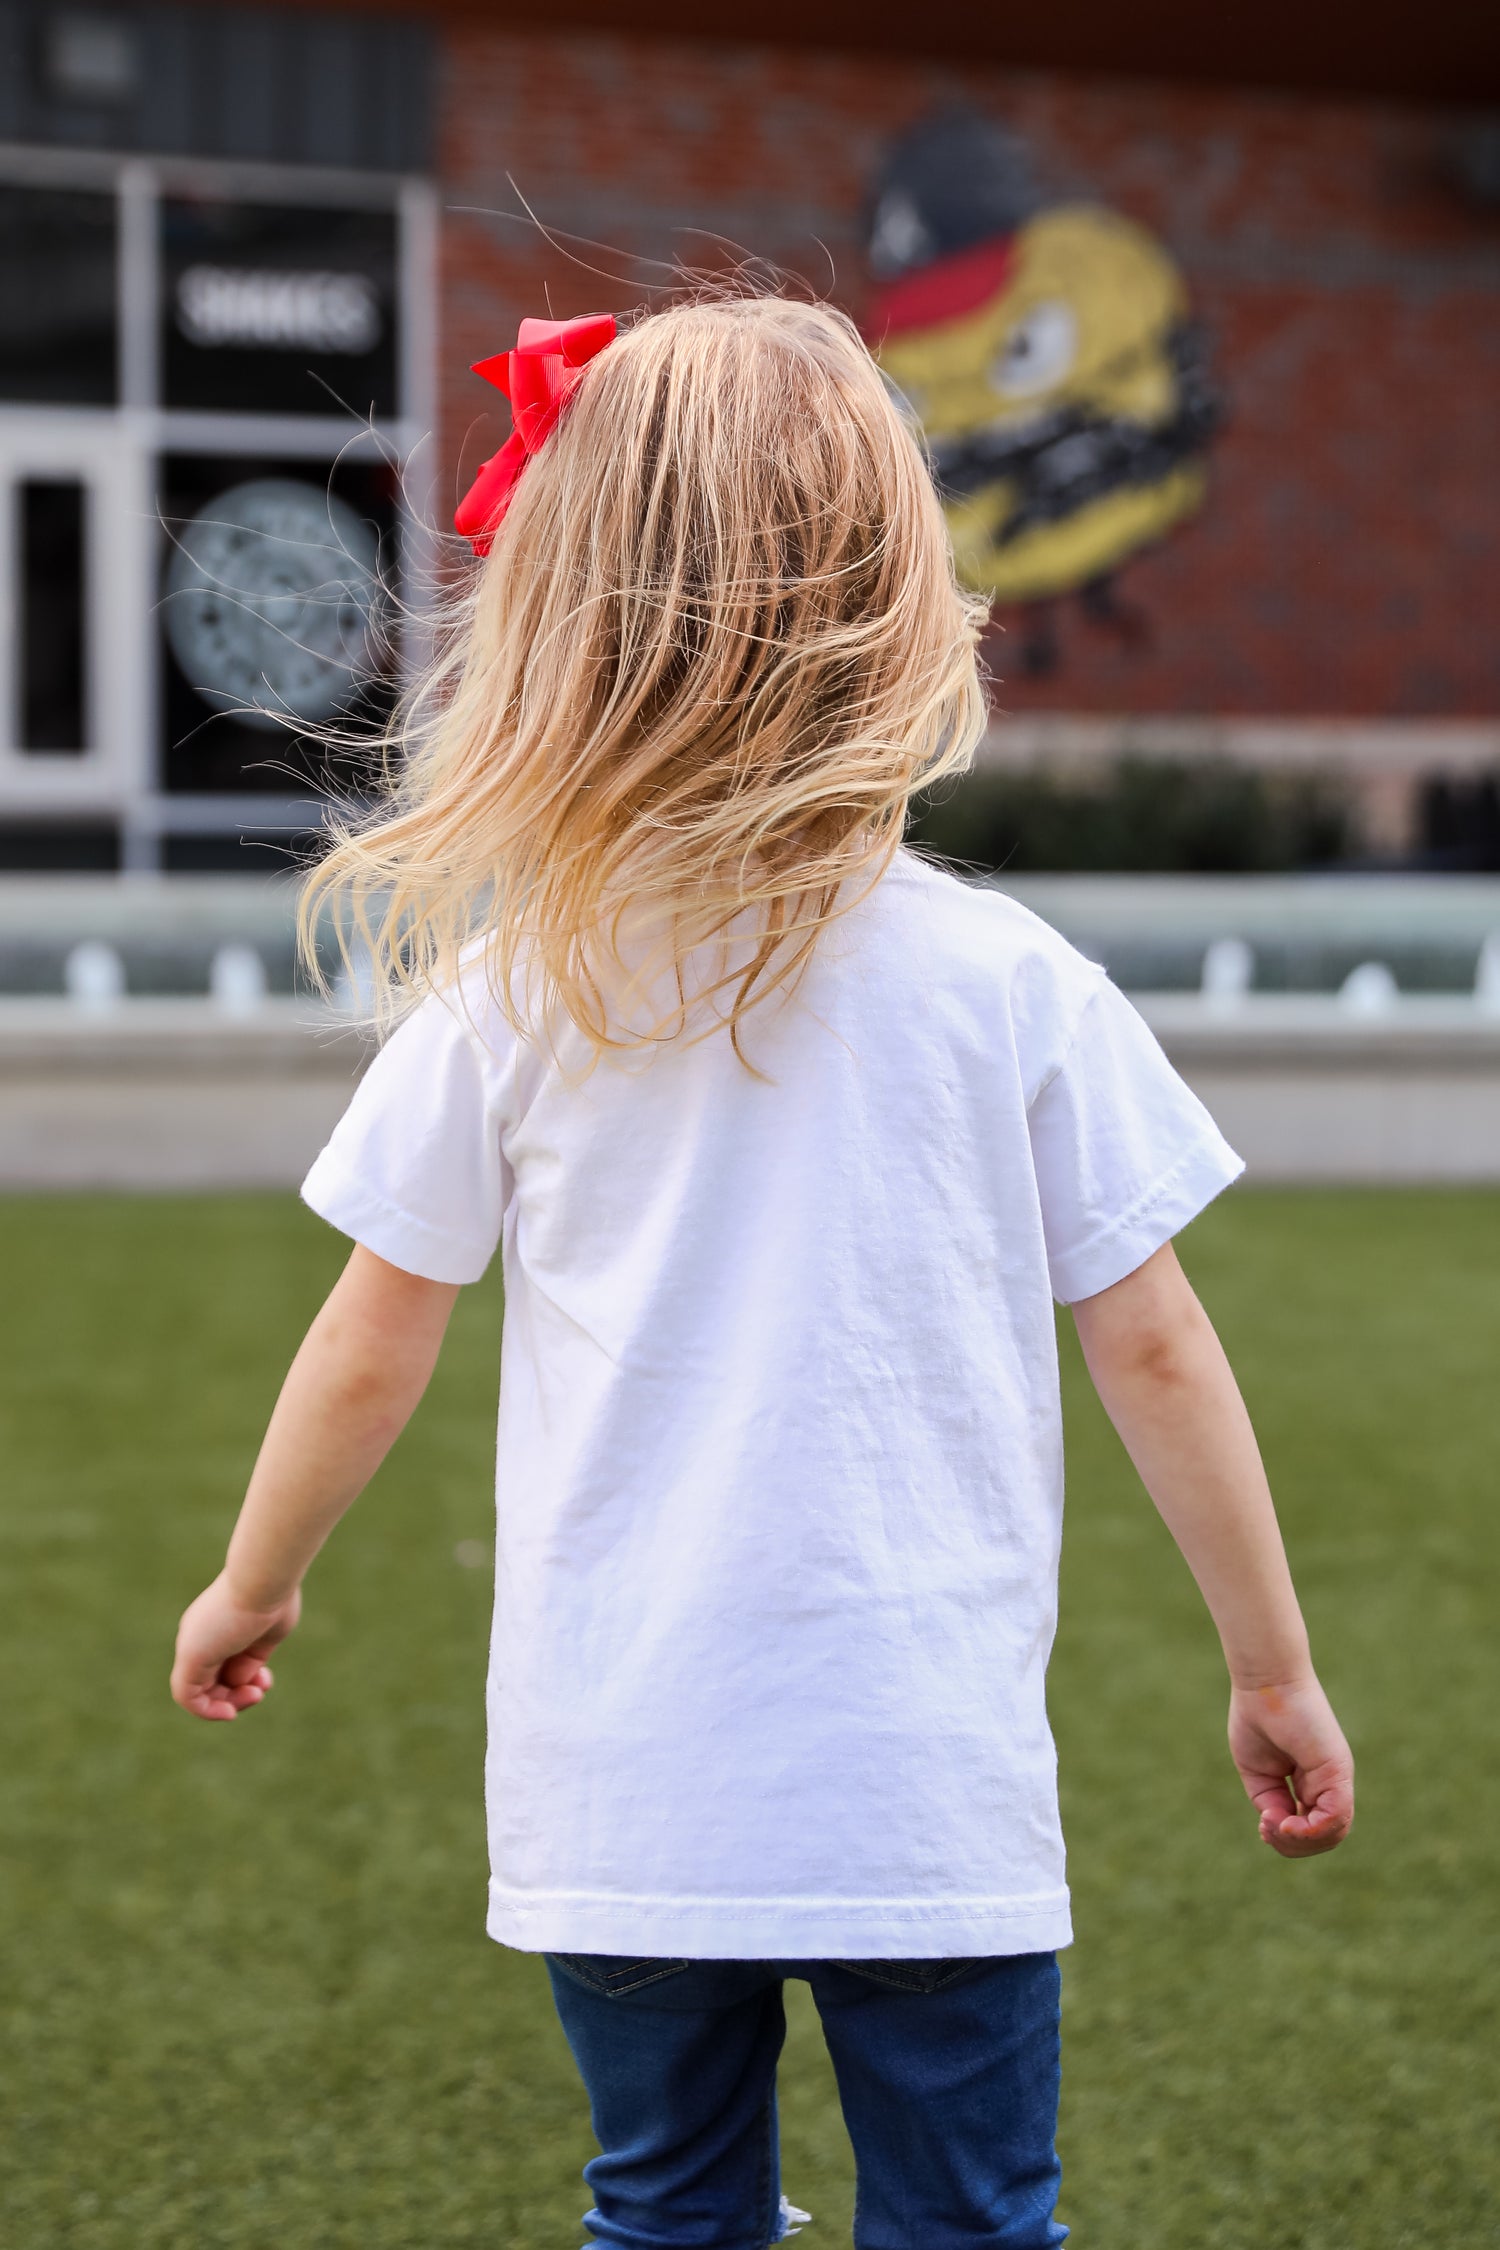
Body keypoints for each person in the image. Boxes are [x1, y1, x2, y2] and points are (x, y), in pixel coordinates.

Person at [171, 295, 1354, 2250]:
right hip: (924, 1793)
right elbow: (1151, 1346)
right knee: (974, 2224)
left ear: (563, 622)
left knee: (667, 2215)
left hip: (627, 1787)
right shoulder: (1013, 990)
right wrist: (1273, 1669)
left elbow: (377, 1334)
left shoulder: (512, 1000)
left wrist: (255, 1577)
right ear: (904, 601)